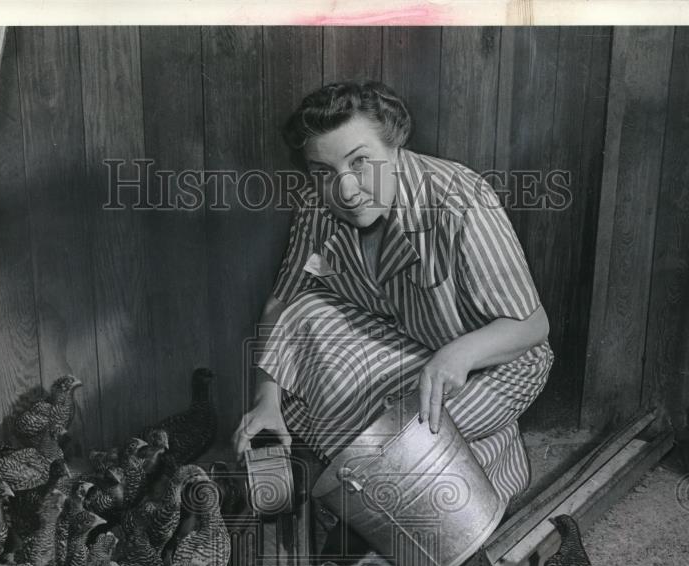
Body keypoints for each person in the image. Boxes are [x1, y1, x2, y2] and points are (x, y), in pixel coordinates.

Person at [232, 81, 553, 517]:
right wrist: (264, 400)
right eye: (323, 171)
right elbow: (284, 302)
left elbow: (533, 327)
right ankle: (384, 457)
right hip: (407, 352)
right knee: (301, 331)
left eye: (360, 162)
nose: (345, 190)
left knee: (401, 459)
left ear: (396, 147)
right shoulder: (318, 203)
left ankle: (486, 466)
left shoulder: (460, 198)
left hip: (496, 362)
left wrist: (458, 354)